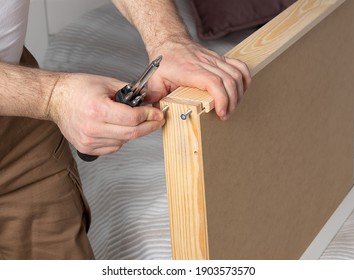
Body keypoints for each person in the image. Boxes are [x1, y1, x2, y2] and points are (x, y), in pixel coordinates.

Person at [0, 0, 251, 259]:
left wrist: (168, 39)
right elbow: (51, 96)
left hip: (20, 110)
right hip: (33, 94)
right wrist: (52, 96)